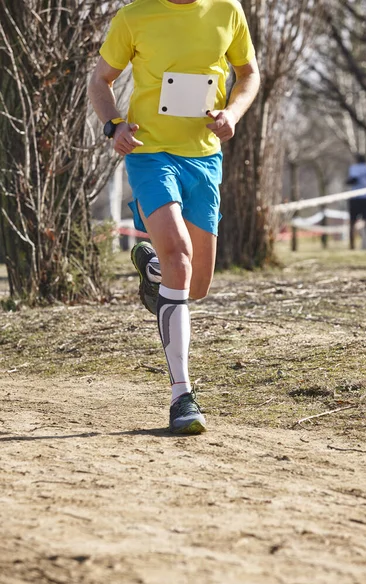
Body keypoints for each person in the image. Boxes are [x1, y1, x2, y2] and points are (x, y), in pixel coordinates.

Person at [88, 0, 260, 434]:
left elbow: (249, 74)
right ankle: (182, 396)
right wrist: (114, 125)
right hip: (149, 154)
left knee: (195, 285)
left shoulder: (228, 10)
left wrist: (232, 114)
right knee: (180, 255)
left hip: (203, 159)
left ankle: (153, 269)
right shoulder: (133, 16)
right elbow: (100, 81)